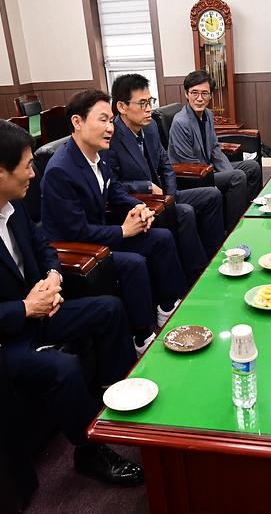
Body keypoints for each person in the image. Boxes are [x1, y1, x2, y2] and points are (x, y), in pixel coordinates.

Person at [0, 118, 143, 486]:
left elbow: (43, 247)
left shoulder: (11, 200)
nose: (33, 173)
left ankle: (114, 398)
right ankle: (90, 452)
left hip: (36, 312)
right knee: (65, 369)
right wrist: (25, 308)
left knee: (109, 309)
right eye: (27, 165)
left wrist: (52, 278)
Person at [40, 89, 187, 356]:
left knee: (161, 237)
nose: (110, 128)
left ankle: (168, 308)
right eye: (103, 120)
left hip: (98, 233)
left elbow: (115, 190)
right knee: (133, 263)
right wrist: (123, 230)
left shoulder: (99, 155)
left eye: (110, 121)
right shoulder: (61, 170)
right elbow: (77, 231)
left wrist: (138, 206)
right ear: (77, 122)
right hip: (75, 249)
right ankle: (142, 337)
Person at [103, 73, 225, 282]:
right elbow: (112, 185)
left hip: (165, 197)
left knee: (212, 195)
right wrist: (146, 186)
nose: (149, 108)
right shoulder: (111, 137)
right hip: (140, 204)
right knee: (185, 212)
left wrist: (170, 196)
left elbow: (165, 164)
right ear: (122, 107)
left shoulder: (149, 127)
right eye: (142, 103)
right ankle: (198, 274)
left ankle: (215, 256)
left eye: (150, 101)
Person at [168, 70, 262, 232]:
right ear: (186, 94)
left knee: (252, 167)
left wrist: (227, 171)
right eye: (194, 93)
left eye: (205, 93)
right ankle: (235, 230)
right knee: (237, 177)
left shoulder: (208, 115)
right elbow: (187, 163)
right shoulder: (180, 122)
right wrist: (227, 175)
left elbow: (215, 149)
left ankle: (247, 214)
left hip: (209, 169)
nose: (199, 98)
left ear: (211, 96)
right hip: (191, 177)